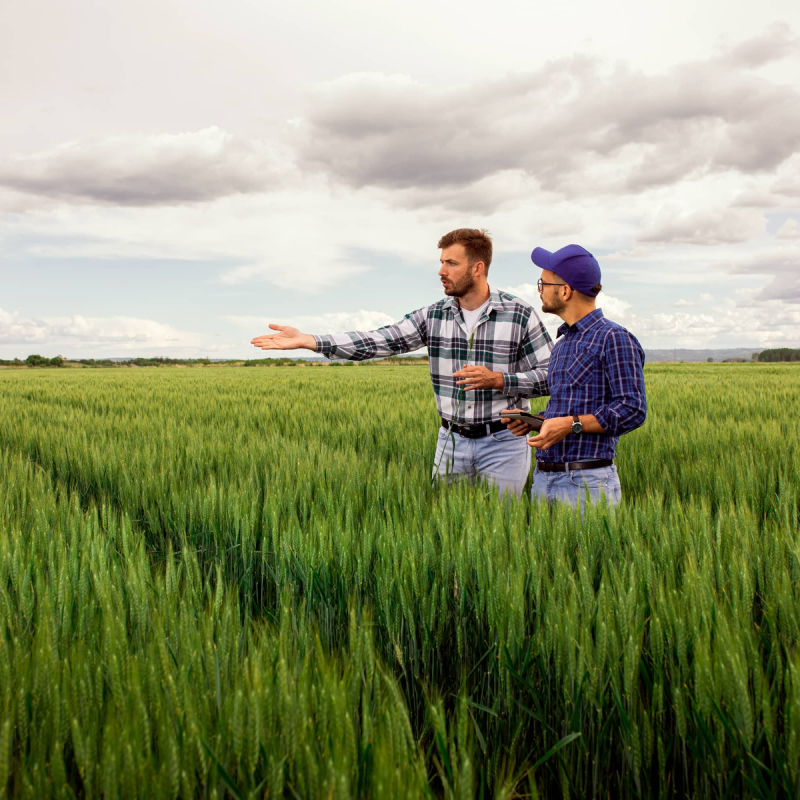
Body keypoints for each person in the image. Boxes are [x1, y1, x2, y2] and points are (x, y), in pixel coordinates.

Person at [251, 229, 552, 498]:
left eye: (451, 263)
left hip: (502, 443)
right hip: (451, 442)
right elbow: (379, 340)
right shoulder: (432, 315)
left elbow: (550, 375)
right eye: (441, 262)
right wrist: (311, 340)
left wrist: (501, 380)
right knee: (445, 528)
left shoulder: (519, 315)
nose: (441, 271)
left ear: (477, 267)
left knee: (499, 534)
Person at [503, 244, 646, 512]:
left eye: (542, 283)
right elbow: (568, 407)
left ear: (565, 291)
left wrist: (570, 425)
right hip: (544, 479)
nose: (539, 290)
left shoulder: (613, 338)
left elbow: (632, 409)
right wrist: (538, 422)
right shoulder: (563, 343)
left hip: (587, 483)